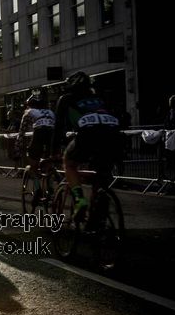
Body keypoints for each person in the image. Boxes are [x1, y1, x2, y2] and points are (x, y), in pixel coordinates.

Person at [51, 71, 122, 223]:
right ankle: (98, 210)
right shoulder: (99, 98)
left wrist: (55, 151)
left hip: (89, 135)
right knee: (101, 174)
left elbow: (58, 127)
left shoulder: (66, 99)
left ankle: (79, 200)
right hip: (113, 135)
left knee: (69, 163)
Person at [17, 94, 55, 199]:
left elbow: (21, 131)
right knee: (49, 162)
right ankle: (50, 187)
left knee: (33, 163)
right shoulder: (51, 112)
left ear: (29, 105)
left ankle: (38, 188)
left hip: (39, 134)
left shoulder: (28, 112)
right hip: (52, 135)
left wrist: (18, 147)